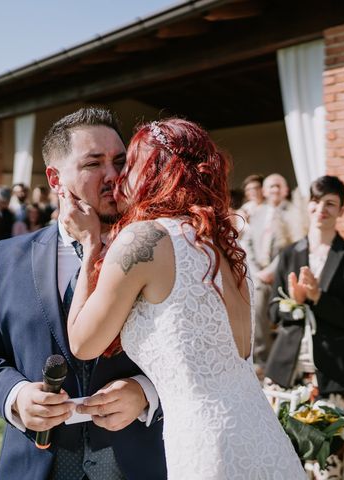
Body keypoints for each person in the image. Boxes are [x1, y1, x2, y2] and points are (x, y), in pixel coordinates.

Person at [64, 118, 306, 479]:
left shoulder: (145, 240)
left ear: (153, 172)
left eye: (129, 164)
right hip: (264, 437)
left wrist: (89, 244)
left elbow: (83, 343)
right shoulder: (224, 245)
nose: (119, 177)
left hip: (209, 447)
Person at [0, 107, 166, 480]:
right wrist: (15, 395)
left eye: (120, 161)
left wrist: (145, 392)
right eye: (93, 164)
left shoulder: (160, 253)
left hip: (136, 462)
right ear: (55, 178)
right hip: (35, 465)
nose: (113, 176)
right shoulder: (9, 257)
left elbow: (194, 353)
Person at [265, 175, 344, 479]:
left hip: (334, 374)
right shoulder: (289, 254)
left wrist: (318, 298)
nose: (321, 208)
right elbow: (272, 311)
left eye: (330, 203)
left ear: (340, 210)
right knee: (284, 457)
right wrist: (296, 301)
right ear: (307, 205)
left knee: (326, 464)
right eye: (316, 201)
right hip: (286, 372)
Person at [243, 173, 308, 371]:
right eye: (270, 187)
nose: (274, 190)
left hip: (284, 272)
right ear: (264, 191)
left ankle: (266, 357)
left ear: (286, 190)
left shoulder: (294, 213)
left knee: (258, 298)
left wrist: (271, 271)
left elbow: (291, 246)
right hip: (258, 272)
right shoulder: (258, 214)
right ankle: (260, 358)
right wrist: (255, 270)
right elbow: (248, 243)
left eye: (279, 186)